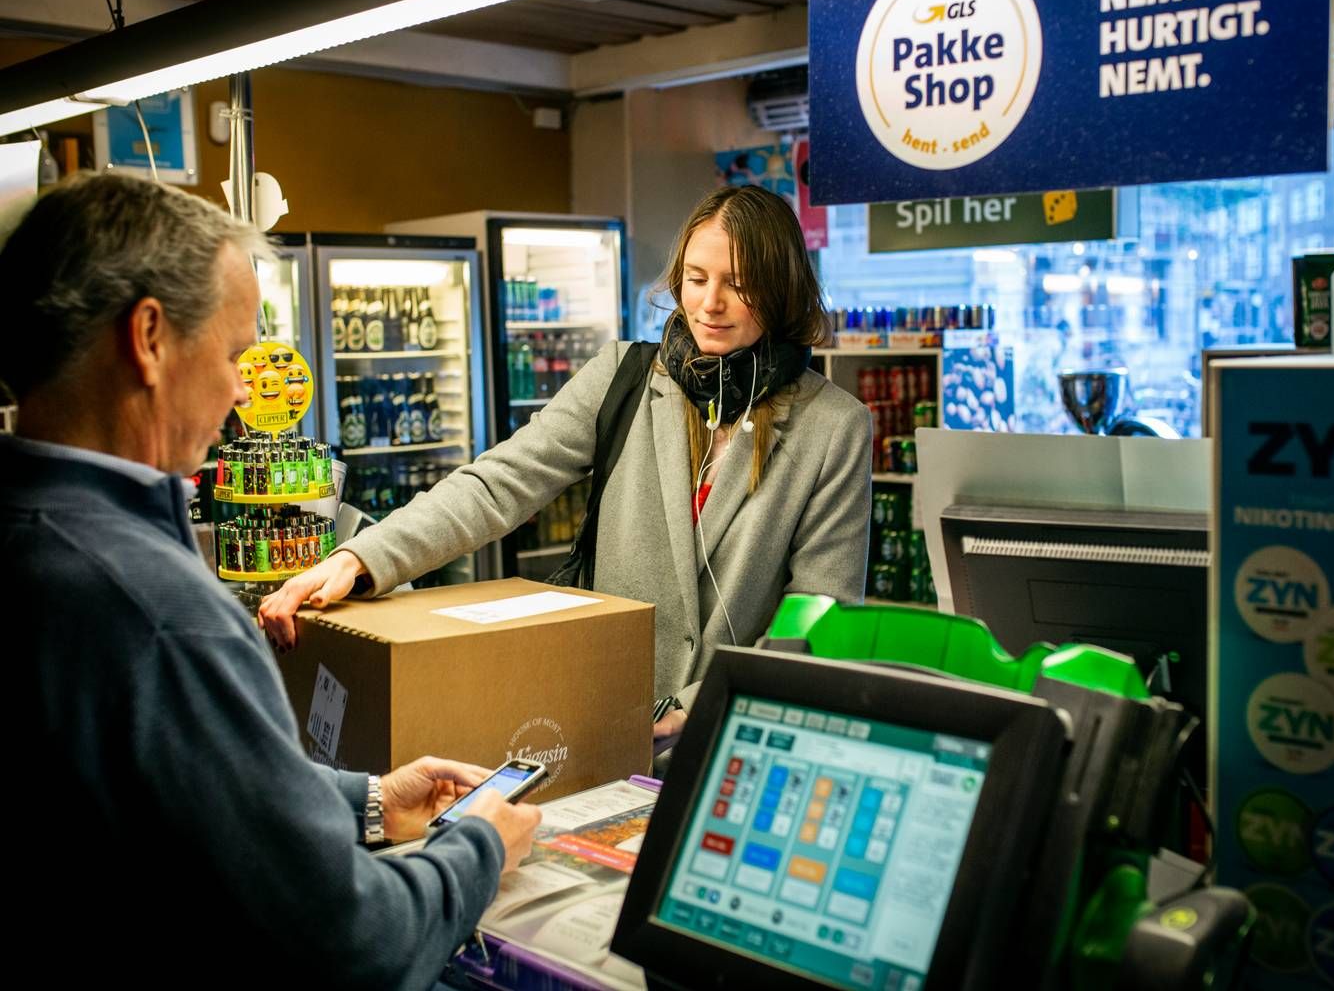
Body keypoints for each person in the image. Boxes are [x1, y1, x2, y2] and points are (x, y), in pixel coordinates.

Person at [1, 173, 540, 990]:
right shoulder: (159, 611)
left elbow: (183, 800)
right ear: (148, 336)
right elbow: (353, 941)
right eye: (231, 354)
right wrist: (479, 847)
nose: (244, 390)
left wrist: (364, 802)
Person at [262, 186, 872, 741]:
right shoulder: (623, 377)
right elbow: (497, 484)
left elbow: (819, 610)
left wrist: (698, 704)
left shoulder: (834, 427)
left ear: (783, 287)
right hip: (602, 714)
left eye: (738, 283)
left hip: (738, 731)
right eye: (695, 278)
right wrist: (364, 555)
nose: (709, 303)